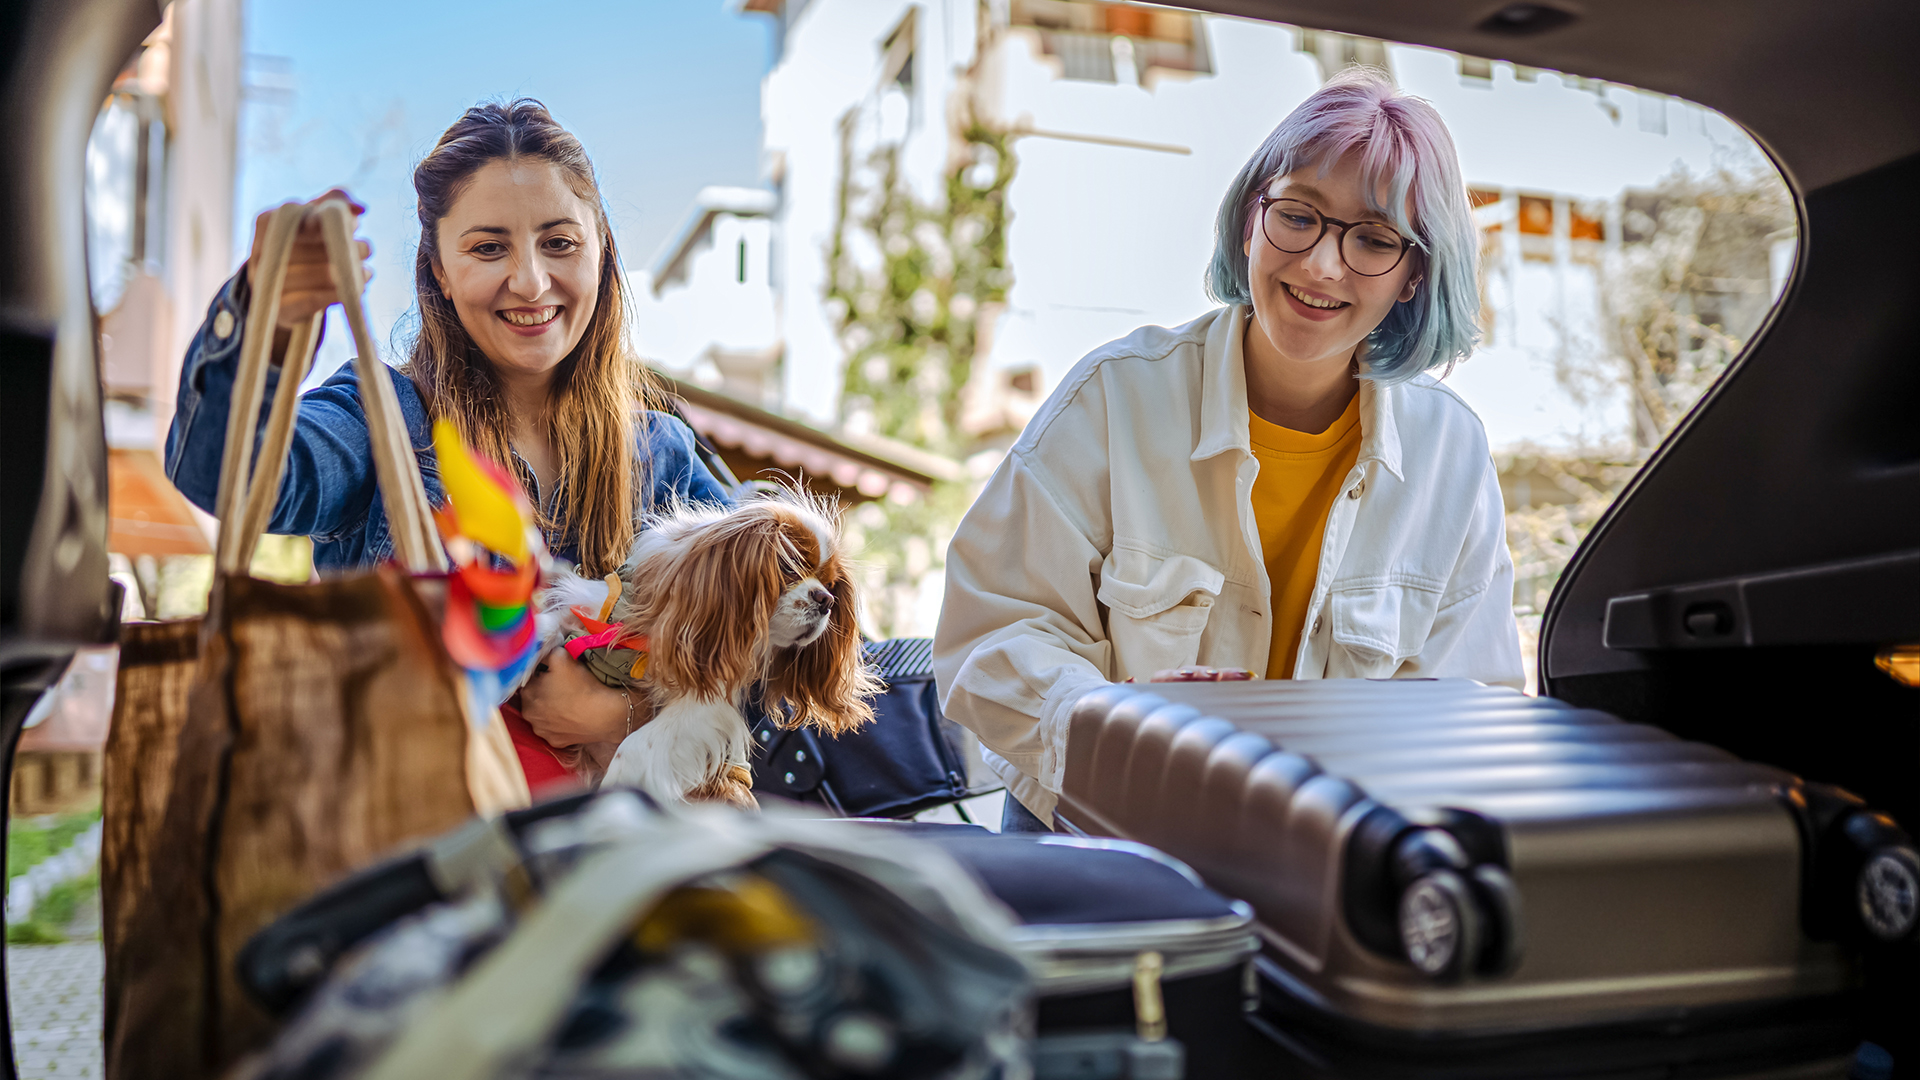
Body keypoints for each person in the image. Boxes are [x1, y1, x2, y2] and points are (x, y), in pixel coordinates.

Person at [933, 70, 1524, 833]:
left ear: (1415, 275)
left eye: (1374, 240)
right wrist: (1120, 729)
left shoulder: (1452, 454)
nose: (1321, 265)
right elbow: (993, 632)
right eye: (1298, 216)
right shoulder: (1114, 397)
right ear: (1251, 221)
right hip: (1101, 831)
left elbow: (1473, 708)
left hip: (1324, 845)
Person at [165, 99, 731, 784]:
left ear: (602, 249)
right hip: (414, 830)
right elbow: (223, 474)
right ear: (439, 270)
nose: (530, 281)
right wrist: (265, 316)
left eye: (559, 242)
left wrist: (624, 713)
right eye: (489, 247)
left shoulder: (662, 453)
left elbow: (787, 633)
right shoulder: (384, 422)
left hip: (616, 846)